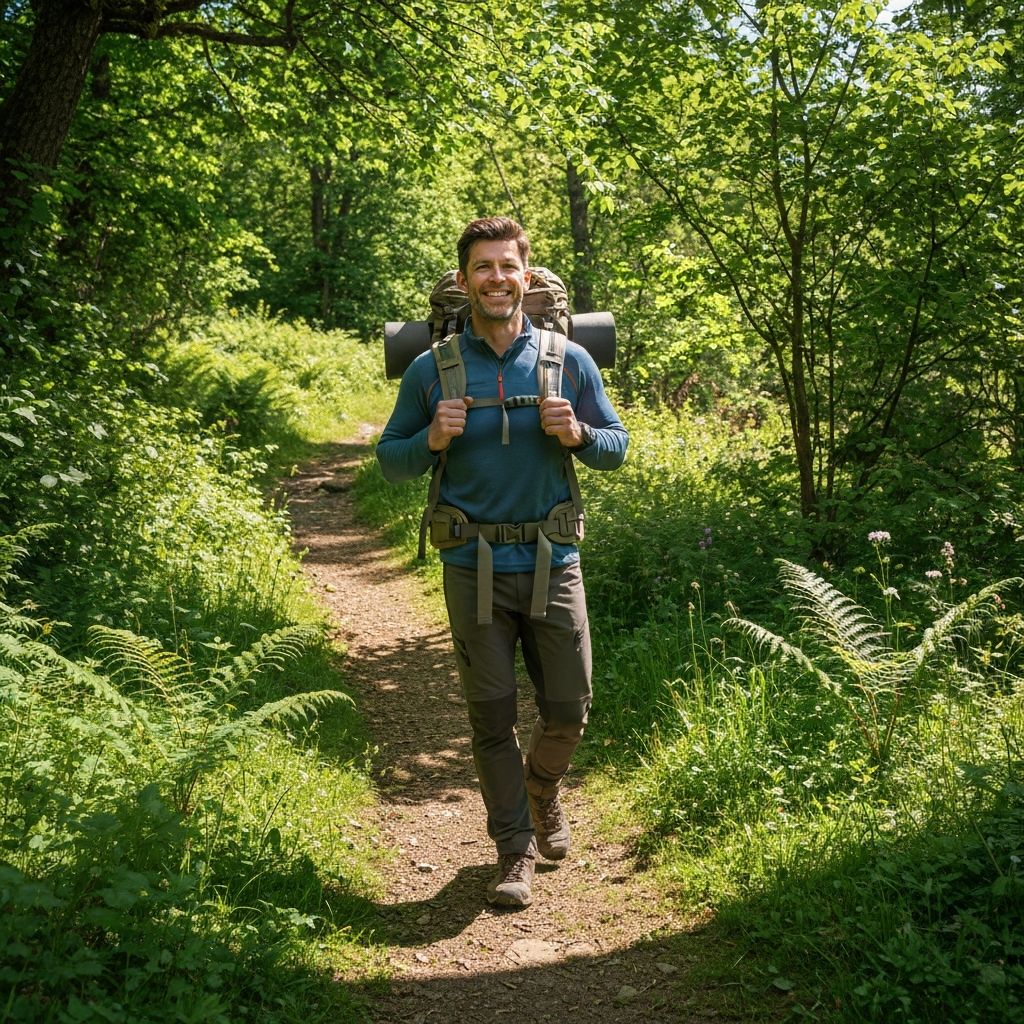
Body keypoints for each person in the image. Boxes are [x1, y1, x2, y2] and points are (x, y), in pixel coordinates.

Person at [376, 217, 628, 908]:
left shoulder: (569, 360)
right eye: (482, 268)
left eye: (507, 266)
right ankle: (513, 850)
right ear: (465, 281)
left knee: (569, 709)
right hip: (472, 567)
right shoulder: (432, 370)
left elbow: (617, 444)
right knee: (490, 719)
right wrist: (429, 437)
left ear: (525, 273)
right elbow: (390, 460)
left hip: (554, 557)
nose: (496, 278)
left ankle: (541, 791)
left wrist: (578, 433)